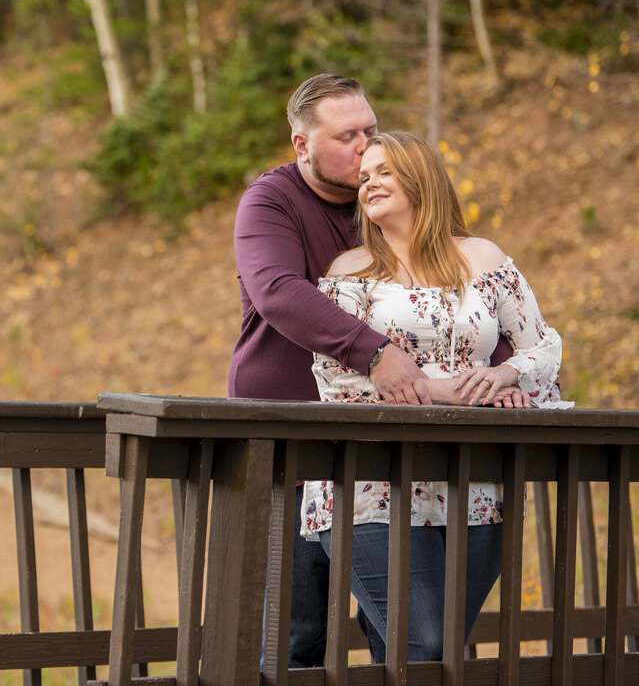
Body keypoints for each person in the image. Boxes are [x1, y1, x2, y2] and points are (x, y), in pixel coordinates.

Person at [229, 74, 516, 667]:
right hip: (293, 442)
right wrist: (376, 352)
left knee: (408, 637)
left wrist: (503, 375)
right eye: (346, 137)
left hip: (399, 451)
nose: (365, 147)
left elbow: (454, 306)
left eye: (370, 131)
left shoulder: (392, 210)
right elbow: (278, 292)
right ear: (301, 146)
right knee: (295, 634)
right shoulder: (270, 201)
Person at [301, 130, 571, 663]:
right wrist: (451, 391)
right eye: (363, 177)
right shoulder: (349, 273)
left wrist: (507, 378)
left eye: (383, 171)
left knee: (414, 650)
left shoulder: (484, 258)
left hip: (473, 484)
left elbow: (543, 345)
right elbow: (337, 379)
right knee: (426, 643)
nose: (368, 184)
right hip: (370, 483)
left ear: (421, 177)